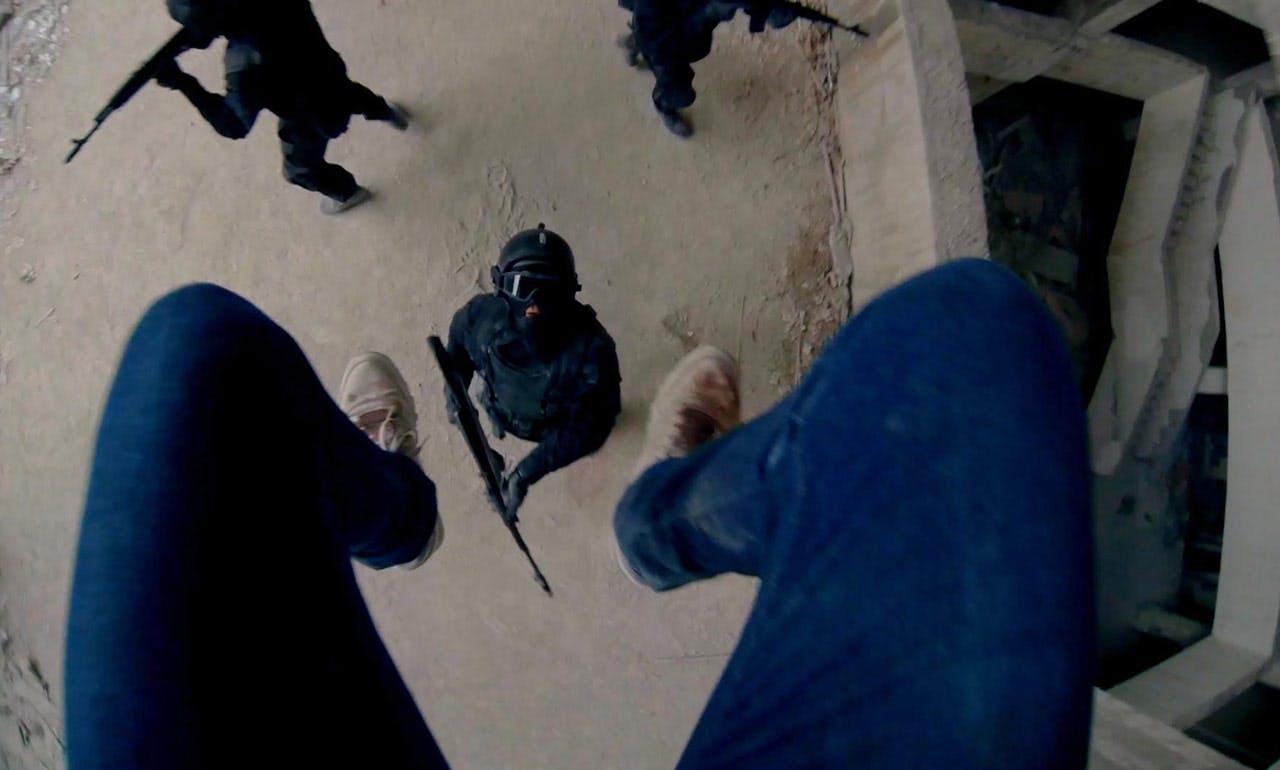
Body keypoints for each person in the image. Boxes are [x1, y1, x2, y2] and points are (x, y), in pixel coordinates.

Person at [66, 258, 1094, 769]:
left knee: (201, 361)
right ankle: (655, 516)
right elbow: (465, 345)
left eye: (541, 300)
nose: (528, 310)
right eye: (519, 298)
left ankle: (430, 509)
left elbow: (584, 418)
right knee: (966, 346)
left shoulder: (586, 352)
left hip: (544, 429)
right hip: (511, 421)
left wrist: (525, 472)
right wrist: (467, 393)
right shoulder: (489, 321)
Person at [154, 0, 411, 214]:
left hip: (310, 115)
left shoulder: (244, 63)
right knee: (353, 95)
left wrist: (183, 82)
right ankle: (388, 113)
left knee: (298, 169)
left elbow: (233, 125)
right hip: (331, 74)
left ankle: (347, 193)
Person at [444, 224, 622, 523]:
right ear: (500, 285)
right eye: (521, 286)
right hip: (501, 409)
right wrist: (472, 432)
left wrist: (527, 471)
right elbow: (455, 360)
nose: (534, 304)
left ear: (568, 294)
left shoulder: (592, 349)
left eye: (549, 292)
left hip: (554, 426)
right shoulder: (478, 321)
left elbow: (594, 426)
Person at [617, 0, 800, 137]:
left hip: (684, 19)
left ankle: (632, 43)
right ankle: (663, 104)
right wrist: (704, 17)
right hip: (660, 38)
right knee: (680, 93)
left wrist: (768, 11)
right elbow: (656, 39)